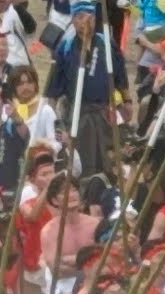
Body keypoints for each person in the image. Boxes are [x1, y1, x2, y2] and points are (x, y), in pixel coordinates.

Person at [44, 1, 130, 178]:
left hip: (105, 110)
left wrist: (127, 101)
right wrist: (57, 122)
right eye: (81, 17)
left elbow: (120, 75)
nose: (86, 21)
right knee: (83, 161)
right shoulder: (65, 48)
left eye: (91, 17)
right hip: (78, 112)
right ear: (73, 20)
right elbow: (54, 91)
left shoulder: (106, 43)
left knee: (112, 159)